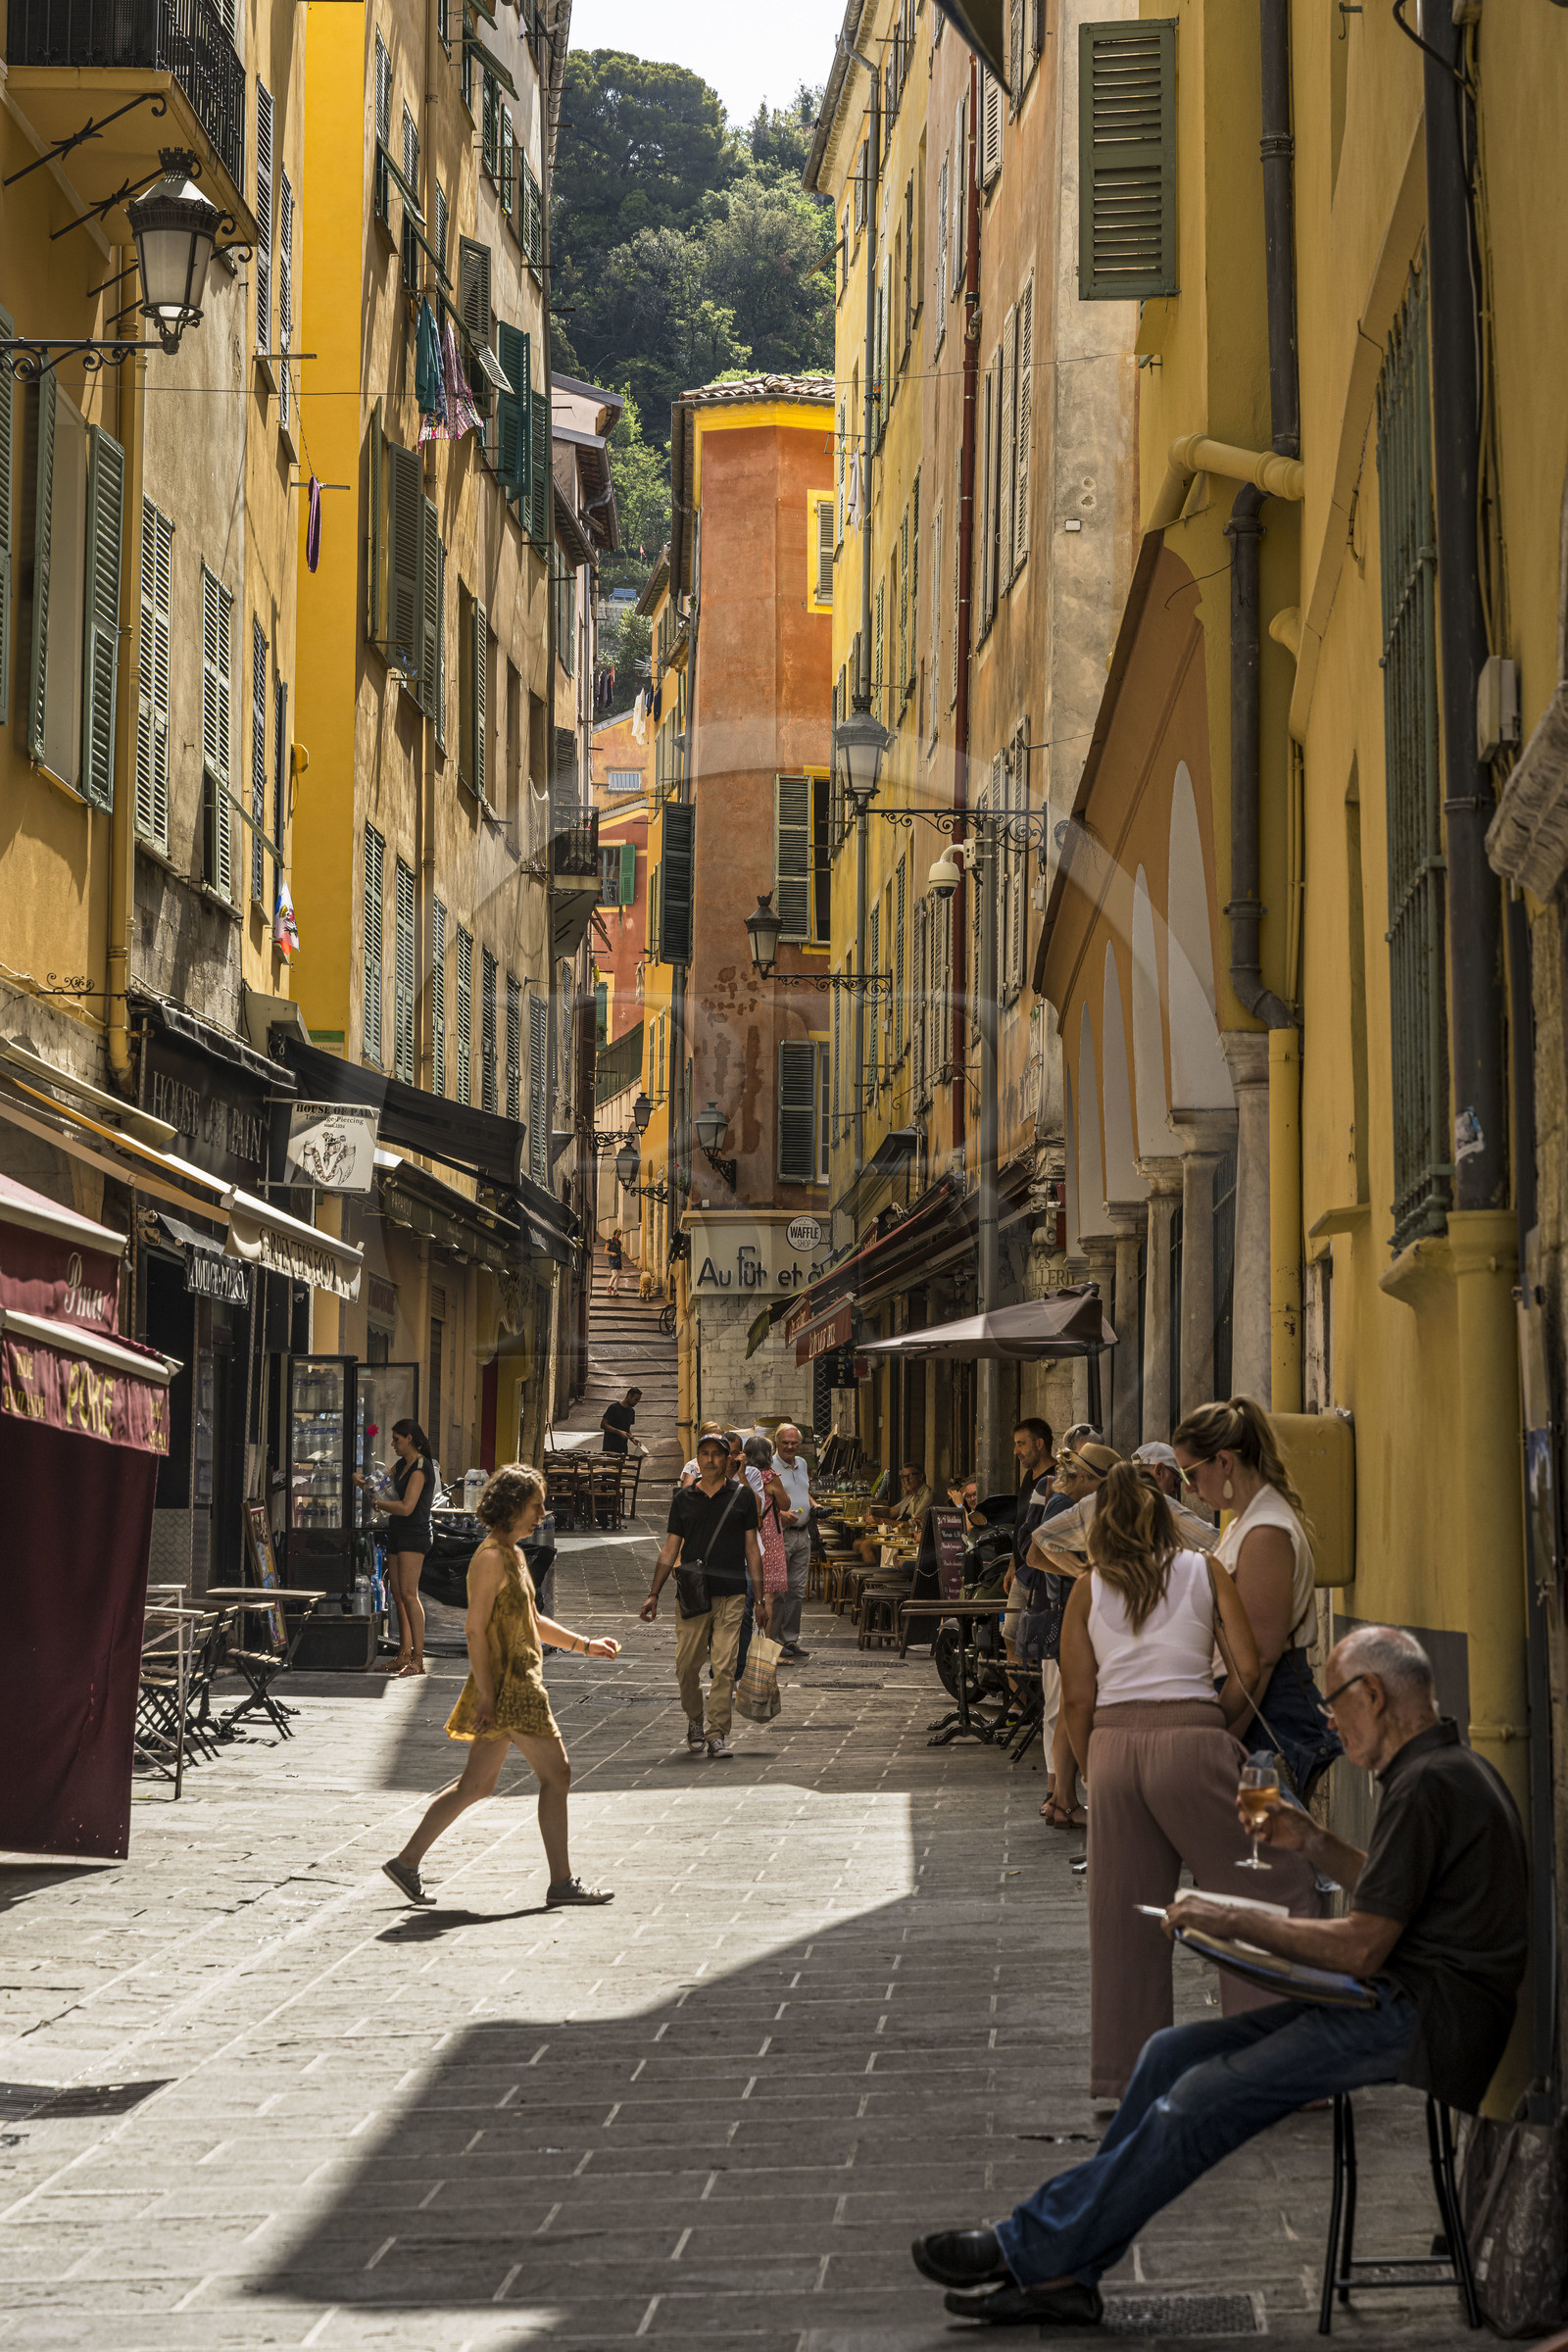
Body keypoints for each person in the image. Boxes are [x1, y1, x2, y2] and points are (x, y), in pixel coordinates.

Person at [911, 1625, 1529, 2327]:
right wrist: (1312, 1841)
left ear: (1375, 1695)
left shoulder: (1429, 1786)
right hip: (1395, 1996)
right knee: (1168, 2056)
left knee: (1202, 2097)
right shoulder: (1435, 1772)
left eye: (1334, 1702)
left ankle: (1037, 2249)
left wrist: (1231, 1918)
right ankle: (1065, 2268)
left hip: (1425, 2017)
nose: (1327, 1719)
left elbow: (1361, 1945)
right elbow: (1392, 1892)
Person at [1047, 1461, 1321, 2100]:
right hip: (1194, 1740)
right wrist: (1212, 1729)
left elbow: (1078, 1699)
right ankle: (1272, 2059)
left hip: (1113, 1752)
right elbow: (1247, 1669)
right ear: (1164, 1517)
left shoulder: (1088, 1588)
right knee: (1269, 1885)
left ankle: (1126, 2077)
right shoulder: (1205, 1570)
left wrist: (1093, 1770)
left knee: (1125, 1922)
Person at [382, 1464, 618, 1909]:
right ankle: (562, 1881)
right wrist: (488, 1697)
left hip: (508, 1683)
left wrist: (584, 1645)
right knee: (557, 1774)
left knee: (475, 1786)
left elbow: (531, 1618)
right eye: (536, 1505)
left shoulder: (513, 1553)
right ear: (511, 1507)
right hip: (512, 1686)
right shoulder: (491, 1558)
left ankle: (406, 1861)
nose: (542, 1513)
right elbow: (474, 1630)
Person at [1173, 1396, 1343, 1798]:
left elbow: (1259, 1661)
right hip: (1250, 1706)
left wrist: (1222, 1745)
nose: (1190, 1489)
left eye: (1191, 1474)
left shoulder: (1265, 1531)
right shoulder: (1244, 1523)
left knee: (1263, 1851)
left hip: (1266, 1712)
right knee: (1252, 1849)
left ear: (1225, 1462)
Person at [641, 1431, 767, 1759]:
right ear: (697, 1459)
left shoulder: (742, 1498)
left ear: (728, 1459)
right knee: (686, 1667)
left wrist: (762, 1599)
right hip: (693, 1595)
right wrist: (653, 1593)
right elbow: (670, 1549)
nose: (710, 1459)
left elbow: (752, 1550)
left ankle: (716, 1733)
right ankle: (695, 1719)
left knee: (724, 1668)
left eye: (717, 1454)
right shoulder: (684, 1499)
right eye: (705, 1453)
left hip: (732, 1594)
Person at [354, 1417, 434, 1678]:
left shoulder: (420, 1467)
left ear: (410, 1438)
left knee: (410, 1595)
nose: (393, 1444)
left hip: (414, 1534)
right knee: (397, 1595)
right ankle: (403, 1654)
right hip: (398, 1532)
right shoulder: (402, 1464)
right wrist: (362, 1482)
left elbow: (407, 1506)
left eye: (397, 1439)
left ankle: (419, 1659)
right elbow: (378, 1481)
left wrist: (380, 1505)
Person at [739, 1432, 790, 1677]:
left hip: (749, 1537)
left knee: (752, 1594)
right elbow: (786, 1504)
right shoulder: (769, 1477)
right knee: (767, 1596)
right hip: (769, 1538)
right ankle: (767, 1653)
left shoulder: (743, 1475)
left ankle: (749, 1647)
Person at [769, 1423, 814, 1664]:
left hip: (802, 1534)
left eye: (793, 1443)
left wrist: (814, 1506)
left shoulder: (803, 1464)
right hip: (782, 1534)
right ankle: (774, 1640)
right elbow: (763, 1499)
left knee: (797, 1590)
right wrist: (780, 1515)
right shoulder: (770, 1466)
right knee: (778, 1591)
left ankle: (790, 1639)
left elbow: (803, 1491)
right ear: (777, 1442)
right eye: (785, 1442)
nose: (790, 1446)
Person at [853, 1462, 932, 1563]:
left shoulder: (927, 1496)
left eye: (910, 1476)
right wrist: (872, 1512)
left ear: (921, 1477)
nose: (905, 1480)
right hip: (894, 1534)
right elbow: (891, 1511)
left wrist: (880, 1521)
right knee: (857, 1543)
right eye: (903, 1477)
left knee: (865, 1546)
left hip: (907, 1537)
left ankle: (876, 1577)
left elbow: (909, 1525)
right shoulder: (911, 1496)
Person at [599, 1386, 641, 1458]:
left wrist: (632, 1438)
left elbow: (626, 1429)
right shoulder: (614, 1408)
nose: (636, 1403)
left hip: (622, 1449)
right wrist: (619, 1432)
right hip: (610, 1448)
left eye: (638, 1401)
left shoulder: (631, 1412)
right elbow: (603, 1425)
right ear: (629, 1396)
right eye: (635, 1400)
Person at [606, 1229, 625, 1296]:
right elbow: (605, 1251)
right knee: (615, 1274)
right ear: (614, 1234)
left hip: (618, 1259)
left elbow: (620, 1250)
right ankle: (609, 1286)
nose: (618, 1236)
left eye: (619, 1234)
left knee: (618, 1276)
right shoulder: (609, 1241)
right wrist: (611, 1253)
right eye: (617, 1234)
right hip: (612, 1259)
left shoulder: (619, 1242)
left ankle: (615, 1290)